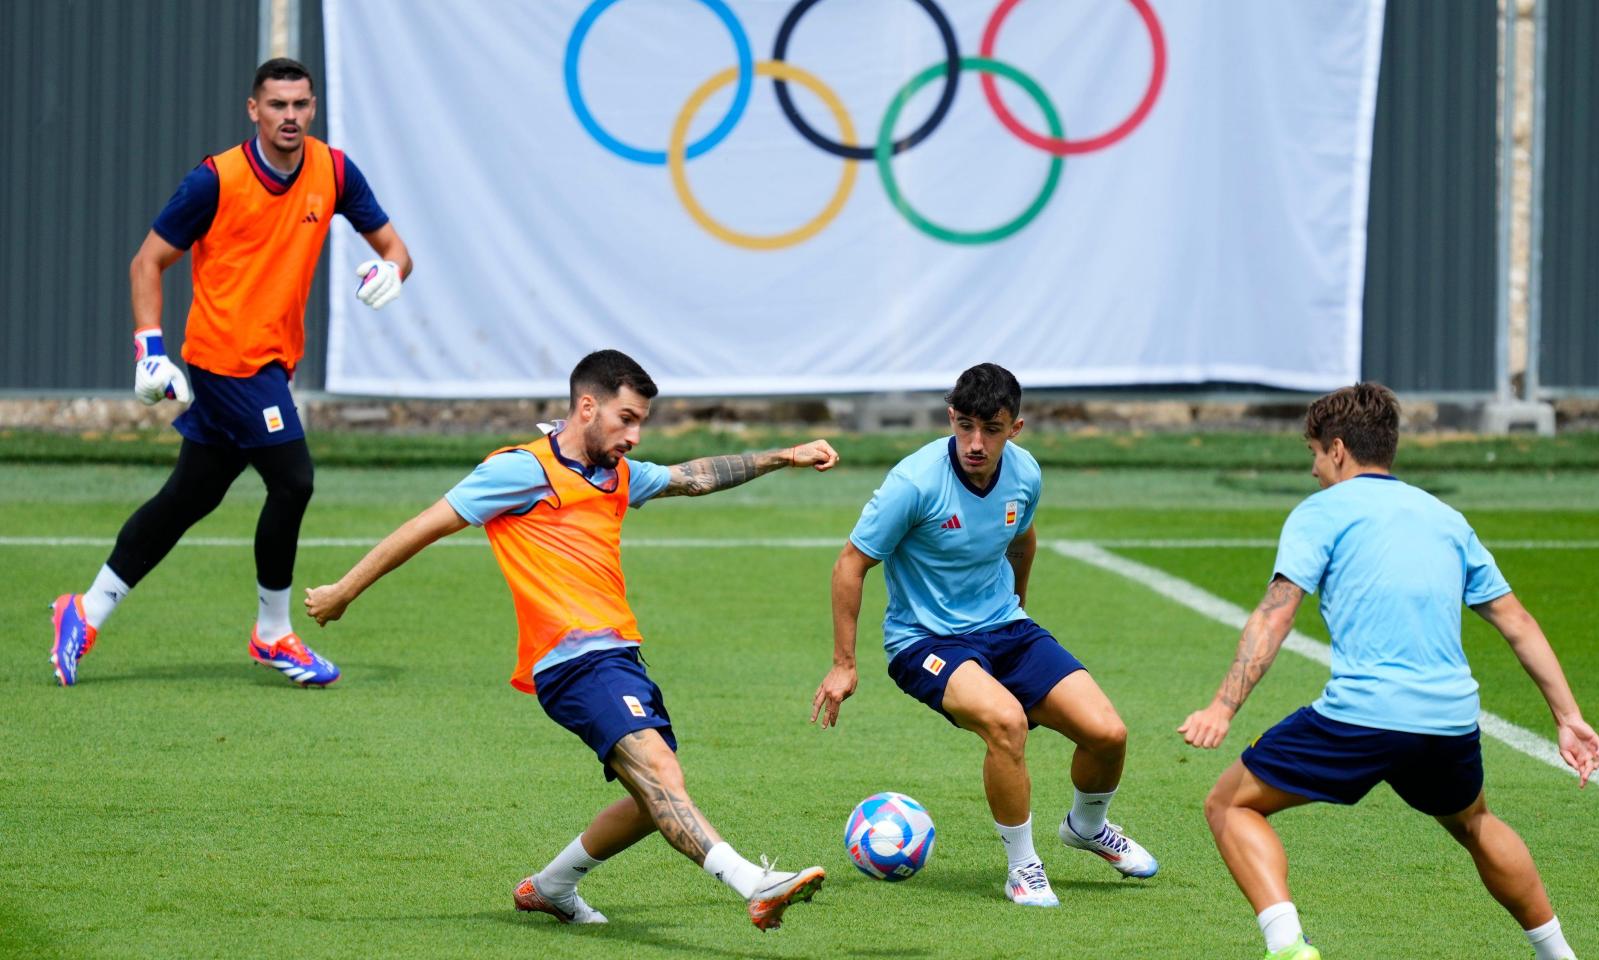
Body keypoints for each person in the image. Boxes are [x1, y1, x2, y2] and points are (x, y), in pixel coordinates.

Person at [303, 350, 835, 930]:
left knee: (649, 800)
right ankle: (753, 884)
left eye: (641, 423)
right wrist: (343, 591)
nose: (634, 434)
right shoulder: (520, 469)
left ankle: (553, 886)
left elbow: (694, 476)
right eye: (626, 418)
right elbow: (424, 526)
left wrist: (787, 454)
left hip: (621, 656)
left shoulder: (617, 474)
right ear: (588, 406)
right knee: (661, 773)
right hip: (572, 660)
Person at [1177, 382, 1599, 960]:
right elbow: (1517, 621)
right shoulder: (1446, 517)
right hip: (1450, 721)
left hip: (1363, 717)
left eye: (1312, 455)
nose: (1312, 472)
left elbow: (1274, 616)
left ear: (1336, 448)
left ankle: (1287, 946)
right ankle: (1560, 955)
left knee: (1229, 804)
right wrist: (1569, 717)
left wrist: (1222, 707)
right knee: (1475, 822)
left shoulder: (1320, 511)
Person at [50, 57, 412, 687]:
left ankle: (85, 609)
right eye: (277, 105)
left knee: (188, 498)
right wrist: (149, 349)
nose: (290, 116)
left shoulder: (333, 169)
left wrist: (393, 271)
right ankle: (273, 632)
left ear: (313, 107)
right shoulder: (215, 179)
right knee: (293, 480)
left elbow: (394, 248)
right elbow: (146, 263)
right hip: (225, 361)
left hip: (272, 360)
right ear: (254, 110)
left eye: (300, 104)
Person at [811, 363, 1158, 907]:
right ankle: (1023, 867)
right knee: (1006, 722)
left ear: (1014, 428)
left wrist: (1020, 613)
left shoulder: (1025, 473)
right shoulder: (914, 482)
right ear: (951, 418)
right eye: (965, 426)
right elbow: (850, 564)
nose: (976, 443)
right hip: (924, 642)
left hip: (1006, 628)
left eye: (991, 429)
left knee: (1108, 733)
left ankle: (1087, 827)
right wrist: (843, 663)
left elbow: (1023, 538)